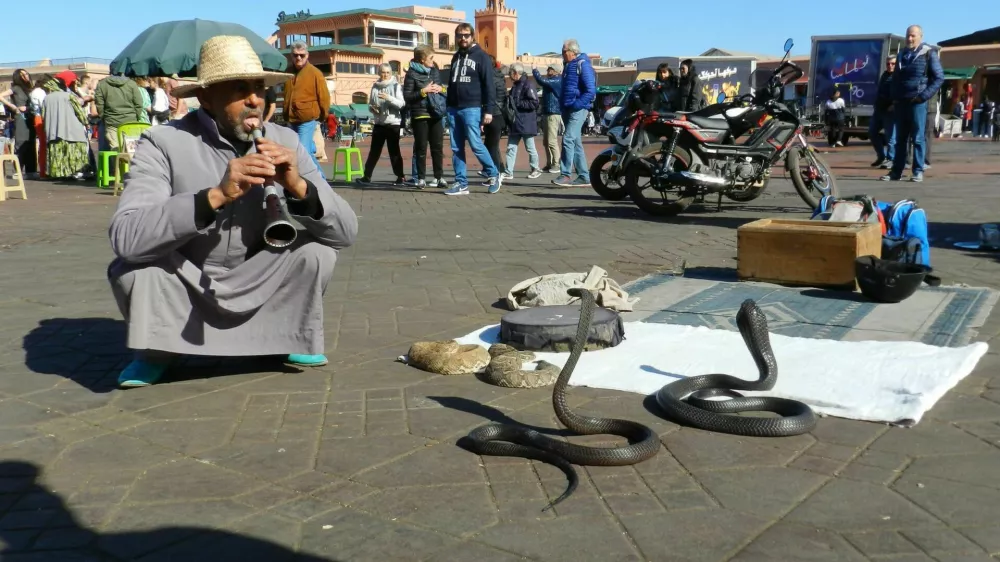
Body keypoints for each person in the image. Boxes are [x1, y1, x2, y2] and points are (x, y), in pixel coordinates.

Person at [106, 35, 358, 388]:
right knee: (132, 269)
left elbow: (345, 234)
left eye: (259, 88)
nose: (254, 100)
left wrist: (299, 188)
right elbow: (127, 237)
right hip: (187, 278)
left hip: (258, 275)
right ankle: (156, 351)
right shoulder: (163, 142)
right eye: (240, 90)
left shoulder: (285, 141)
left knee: (317, 253)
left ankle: (287, 334)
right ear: (206, 97)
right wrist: (214, 196)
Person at [881, 24, 943, 183]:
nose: (909, 38)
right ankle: (896, 172)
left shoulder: (928, 53)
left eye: (913, 35)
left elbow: (938, 78)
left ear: (920, 36)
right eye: (908, 35)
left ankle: (917, 171)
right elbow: (895, 79)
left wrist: (923, 96)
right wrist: (894, 98)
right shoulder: (901, 54)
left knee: (917, 138)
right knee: (900, 139)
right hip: (901, 103)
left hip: (917, 103)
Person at [444, 22, 501, 195]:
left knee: (476, 144)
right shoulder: (456, 57)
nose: (463, 38)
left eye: (466, 35)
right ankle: (461, 182)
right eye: (460, 35)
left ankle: (493, 174)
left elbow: (489, 85)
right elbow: (451, 83)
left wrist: (488, 110)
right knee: (456, 147)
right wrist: (448, 105)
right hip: (454, 108)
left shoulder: (481, 56)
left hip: (472, 107)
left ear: (472, 36)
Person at [282, 41, 331, 180]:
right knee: (300, 150)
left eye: (301, 55)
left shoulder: (315, 73)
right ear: (291, 56)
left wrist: (322, 116)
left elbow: (324, 97)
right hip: (291, 119)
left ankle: (320, 179)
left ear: (307, 55)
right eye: (295, 55)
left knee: (303, 151)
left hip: (307, 119)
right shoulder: (288, 73)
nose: (298, 58)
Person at [552, 38, 596, 187]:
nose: (562, 53)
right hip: (568, 108)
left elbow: (590, 90)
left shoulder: (582, 65)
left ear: (573, 51)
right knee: (576, 143)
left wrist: (577, 104)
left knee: (568, 139)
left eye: (564, 51)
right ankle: (584, 176)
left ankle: (565, 174)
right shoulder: (568, 66)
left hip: (577, 108)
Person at [403, 44, 448, 189]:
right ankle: (421, 178)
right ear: (422, 59)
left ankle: (439, 177)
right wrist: (424, 91)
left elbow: (442, 89)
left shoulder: (434, 71)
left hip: (436, 113)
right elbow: (407, 96)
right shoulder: (411, 73)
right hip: (420, 115)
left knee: (437, 147)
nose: (433, 60)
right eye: (431, 57)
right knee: (421, 147)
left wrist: (439, 89)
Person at [357, 64, 406, 186]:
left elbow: (401, 104)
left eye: (388, 72)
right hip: (379, 122)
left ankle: (401, 177)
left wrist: (389, 98)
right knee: (374, 151)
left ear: (391, 73)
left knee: (394, 151)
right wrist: (372, 109)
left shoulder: (396, 86)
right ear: (379, 73)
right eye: (383, 72)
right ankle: (367, 176)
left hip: (392, 123)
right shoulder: (375, 86)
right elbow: (370, 103)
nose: (385, 75)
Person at [41, 72, 90, 180]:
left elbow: (43, 115)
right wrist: (86, 123)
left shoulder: (47, 98)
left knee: (57, 153)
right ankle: (74, 172)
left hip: (53, 131)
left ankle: (58, 173)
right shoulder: (69, 97)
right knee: (73, 152)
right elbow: (79, 112)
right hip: (71, 130)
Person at [503, 63, 542, 180]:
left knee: (530, 147)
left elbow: (534, 102)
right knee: (511, 147)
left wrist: (518, 104)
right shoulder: (516, 86)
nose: (509, 76)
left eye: (510, 73)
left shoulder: (528, 84)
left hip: (526, 121)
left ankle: (535, 168)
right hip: (516, 121)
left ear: (516, 73)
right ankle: (508, 171)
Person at [0, 68, 38, 177]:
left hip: (31, 117)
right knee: (20, 143)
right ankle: (17, 170)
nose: (25, 76)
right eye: (22, 75)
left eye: (26, 73)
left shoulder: (30, 88)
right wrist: (13, 107)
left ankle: (31, 170)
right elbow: (1, 96)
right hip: (21, 118)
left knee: (31, 143)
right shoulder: (16, 88)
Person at [94, 74, 145, 151]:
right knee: (131, 150)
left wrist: (104, 118)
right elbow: (139, 103)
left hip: (111, 122)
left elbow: (99, 105)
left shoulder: (102, 84)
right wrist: (136, 117)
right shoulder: (131, 83)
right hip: (130, 122)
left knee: (116, 150)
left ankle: (117, 163)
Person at [532, 62, 563, 173]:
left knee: (552, 141)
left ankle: (556, 164)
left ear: (555, 71)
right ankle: (549, 164)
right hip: (548, 112)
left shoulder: (557, 80)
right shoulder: (552, 80)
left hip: (553, 113)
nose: (547, 71)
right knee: (546, 141)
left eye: (549, 69)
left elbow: (541, 81)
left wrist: (535, 70)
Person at [869, 55, 896, 168]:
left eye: (892, 64)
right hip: (879, 110)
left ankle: (891, 159)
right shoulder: (884, 75)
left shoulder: (899, 76)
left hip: (890, 111)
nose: (890, 66)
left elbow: (901, 92)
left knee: (890, 137)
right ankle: (881, 156)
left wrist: (894, 105)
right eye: (888, 64)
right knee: (872, 132)